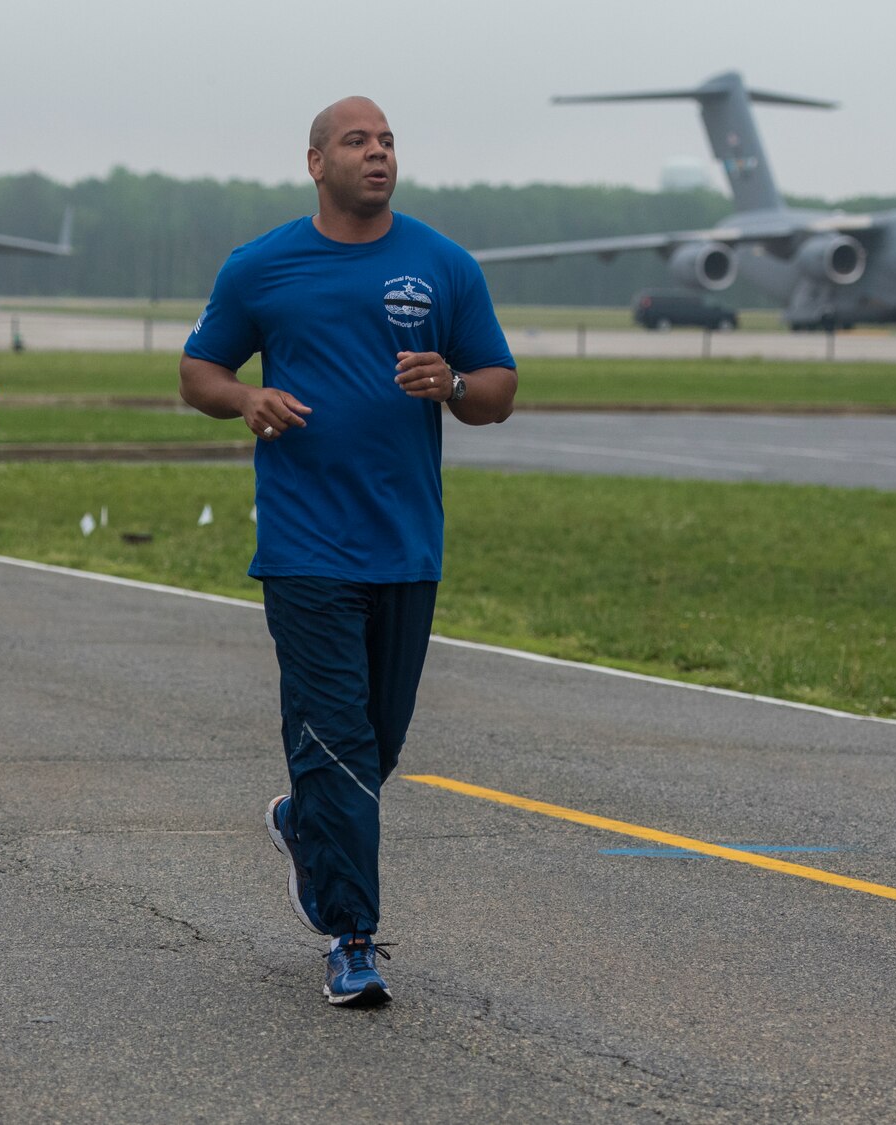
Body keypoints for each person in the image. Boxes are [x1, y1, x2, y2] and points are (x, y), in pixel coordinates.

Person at [178, 96, 517, 1008]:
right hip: (305, 549)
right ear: (317, 162)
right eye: (357, 142)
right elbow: (198, 371)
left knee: (376, 745)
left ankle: (303, 822)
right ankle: (352, 936)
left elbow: (499, 388)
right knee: (335, 742)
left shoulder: (442, 265)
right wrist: (246, 400)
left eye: (388, 142)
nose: (377, 154)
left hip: (406, 546)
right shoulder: (263, 266)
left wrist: (451, 383)